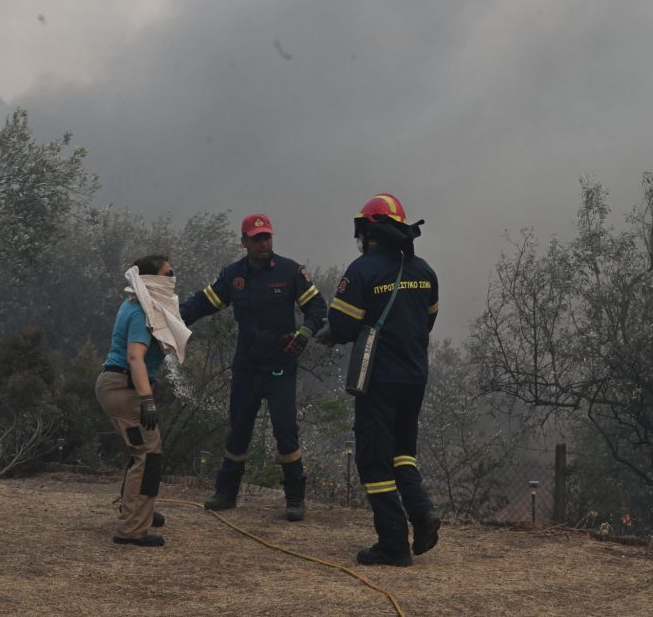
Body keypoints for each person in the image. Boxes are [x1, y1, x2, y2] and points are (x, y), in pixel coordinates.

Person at [319, 194, 441, 566]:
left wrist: (326, 334)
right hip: (414, 376)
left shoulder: (361, 271)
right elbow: (428, 321)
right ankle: (421, 514)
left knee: (374, 460)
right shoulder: (425, 272)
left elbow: (341, 325)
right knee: (403, 452)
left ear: (367, 232)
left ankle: (393, 542)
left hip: (379, 379)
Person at [179, 213, 327, 521]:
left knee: (285, 431)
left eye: (267, 237)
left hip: (280, 366)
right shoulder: (233, 275)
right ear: (243, 241)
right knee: (238, 429)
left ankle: (295, 498)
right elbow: (203, 304)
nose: (263, 243)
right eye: (257, 238)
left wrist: (306, 332)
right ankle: (226, 493)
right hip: (246, 366)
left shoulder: (290, 271)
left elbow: (316, 307)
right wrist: (168, 317)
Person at [96, 253, 191, 547]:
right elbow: (135, 357)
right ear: (152, 279)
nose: (172, 279)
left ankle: (141, 511)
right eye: (167, 274)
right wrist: (146, 398)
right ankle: (132, 529)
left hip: (119, 385)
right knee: (147, 454)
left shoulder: (137, 303)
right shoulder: (140, 312)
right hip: (125, 389)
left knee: (136, 452)